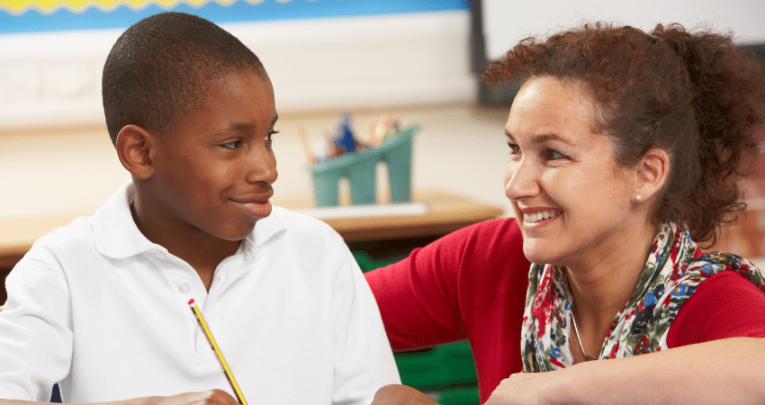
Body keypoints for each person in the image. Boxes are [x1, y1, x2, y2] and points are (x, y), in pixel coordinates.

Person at [0, 12, 399, 405]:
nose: (268, 170)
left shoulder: (318, 252)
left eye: (268, 137)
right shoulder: (61, 269)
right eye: (232, 144)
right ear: (140, 152)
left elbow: (371, 396)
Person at [366, 22, 765, 404]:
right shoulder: (492, 257)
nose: (515, 185)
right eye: (514, 150)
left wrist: (554, 389)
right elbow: (325, 310)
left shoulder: (712, 300)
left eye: (553, 154)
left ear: (647, 174)